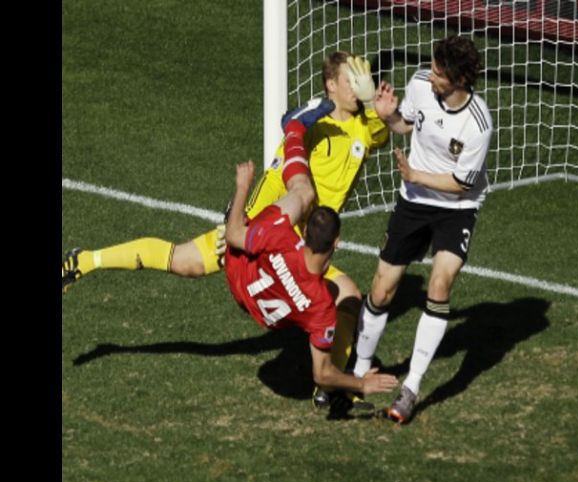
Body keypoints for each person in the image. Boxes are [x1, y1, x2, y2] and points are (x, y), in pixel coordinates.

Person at [61, 52, 391, 408]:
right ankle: (86, 260)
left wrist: (376, 103)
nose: (358, 86)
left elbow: (385, 132)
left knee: (348, 297)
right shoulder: (314, 124)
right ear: (331, 86)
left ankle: (328, 386)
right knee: (184, 261)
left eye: (363, 78)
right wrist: (245, 214)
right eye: (351, 80)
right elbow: (287, 172)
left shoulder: (362, 126)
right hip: (270, 233)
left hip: (298, 239)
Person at [350, 35, 494, 423]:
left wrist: (416, 174)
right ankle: (359, 372)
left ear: (460, 79)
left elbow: (462, 184)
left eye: (439, 72)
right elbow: (406, 126)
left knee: (440, 285)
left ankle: (411, 388)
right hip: (414, 203)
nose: (431, 75)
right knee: (381, 289)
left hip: (456, 208)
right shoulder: (419, 84)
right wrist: (388, 116)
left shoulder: (478, 122)